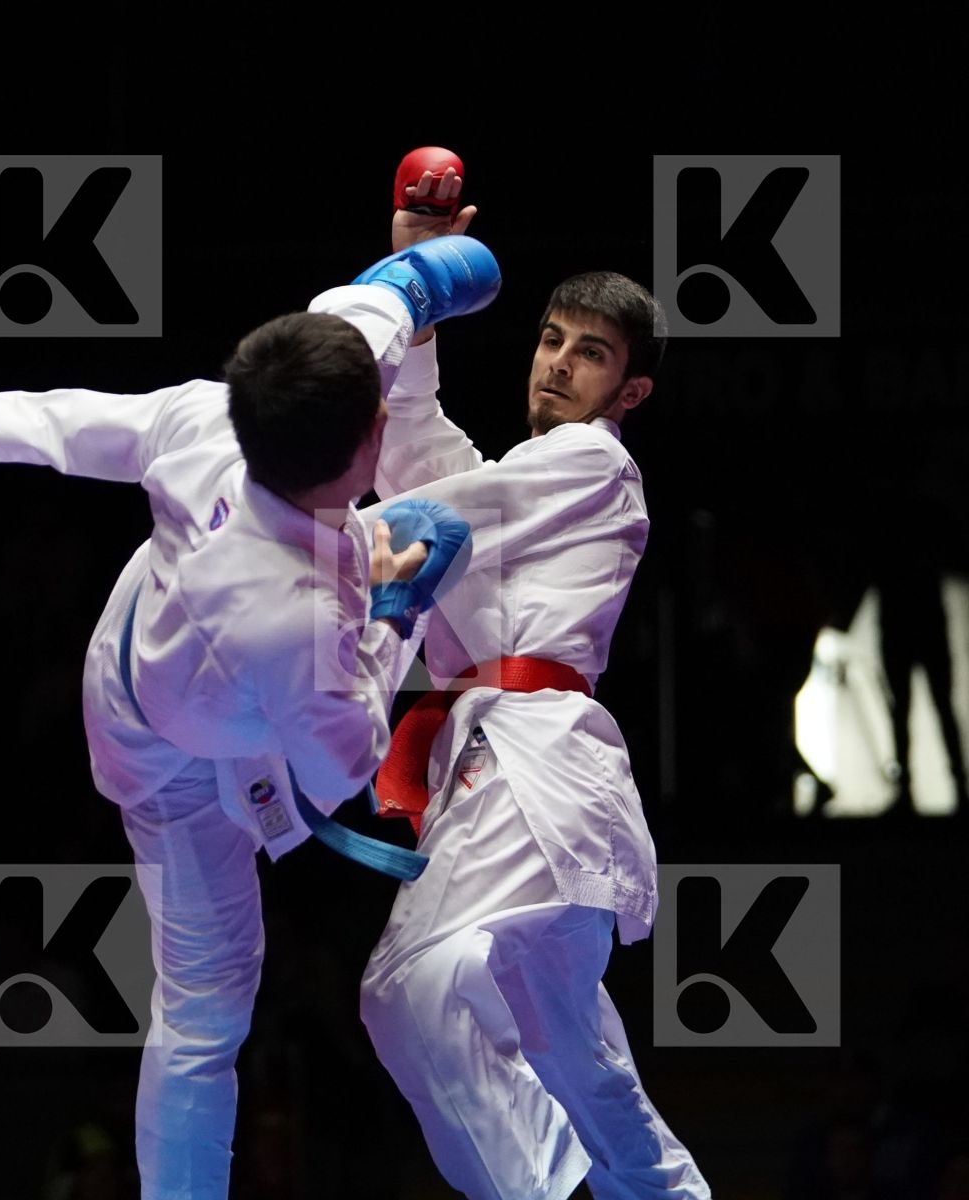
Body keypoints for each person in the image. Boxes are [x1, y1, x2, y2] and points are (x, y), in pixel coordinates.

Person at [0, 237, 499, 1196]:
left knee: (402, 536)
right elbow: (342, 767)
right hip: (169, 761)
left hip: (164, 651)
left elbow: (55, 421)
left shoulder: (220, 414)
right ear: (370, 445)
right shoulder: (304, 625)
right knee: (206, 1007)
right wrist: (395, 613)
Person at [320, 168, 710, 1198]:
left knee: (408, 992)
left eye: (593, 355)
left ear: (629, 393)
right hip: (518, 779)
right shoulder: (523, 490)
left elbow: (428, 508)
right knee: (584, 1070)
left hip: (529, 766)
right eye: (551, 340)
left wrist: (277, 532)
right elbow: (412, 455)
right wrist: (416, 281)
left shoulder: (592, 466)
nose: (559, 366)